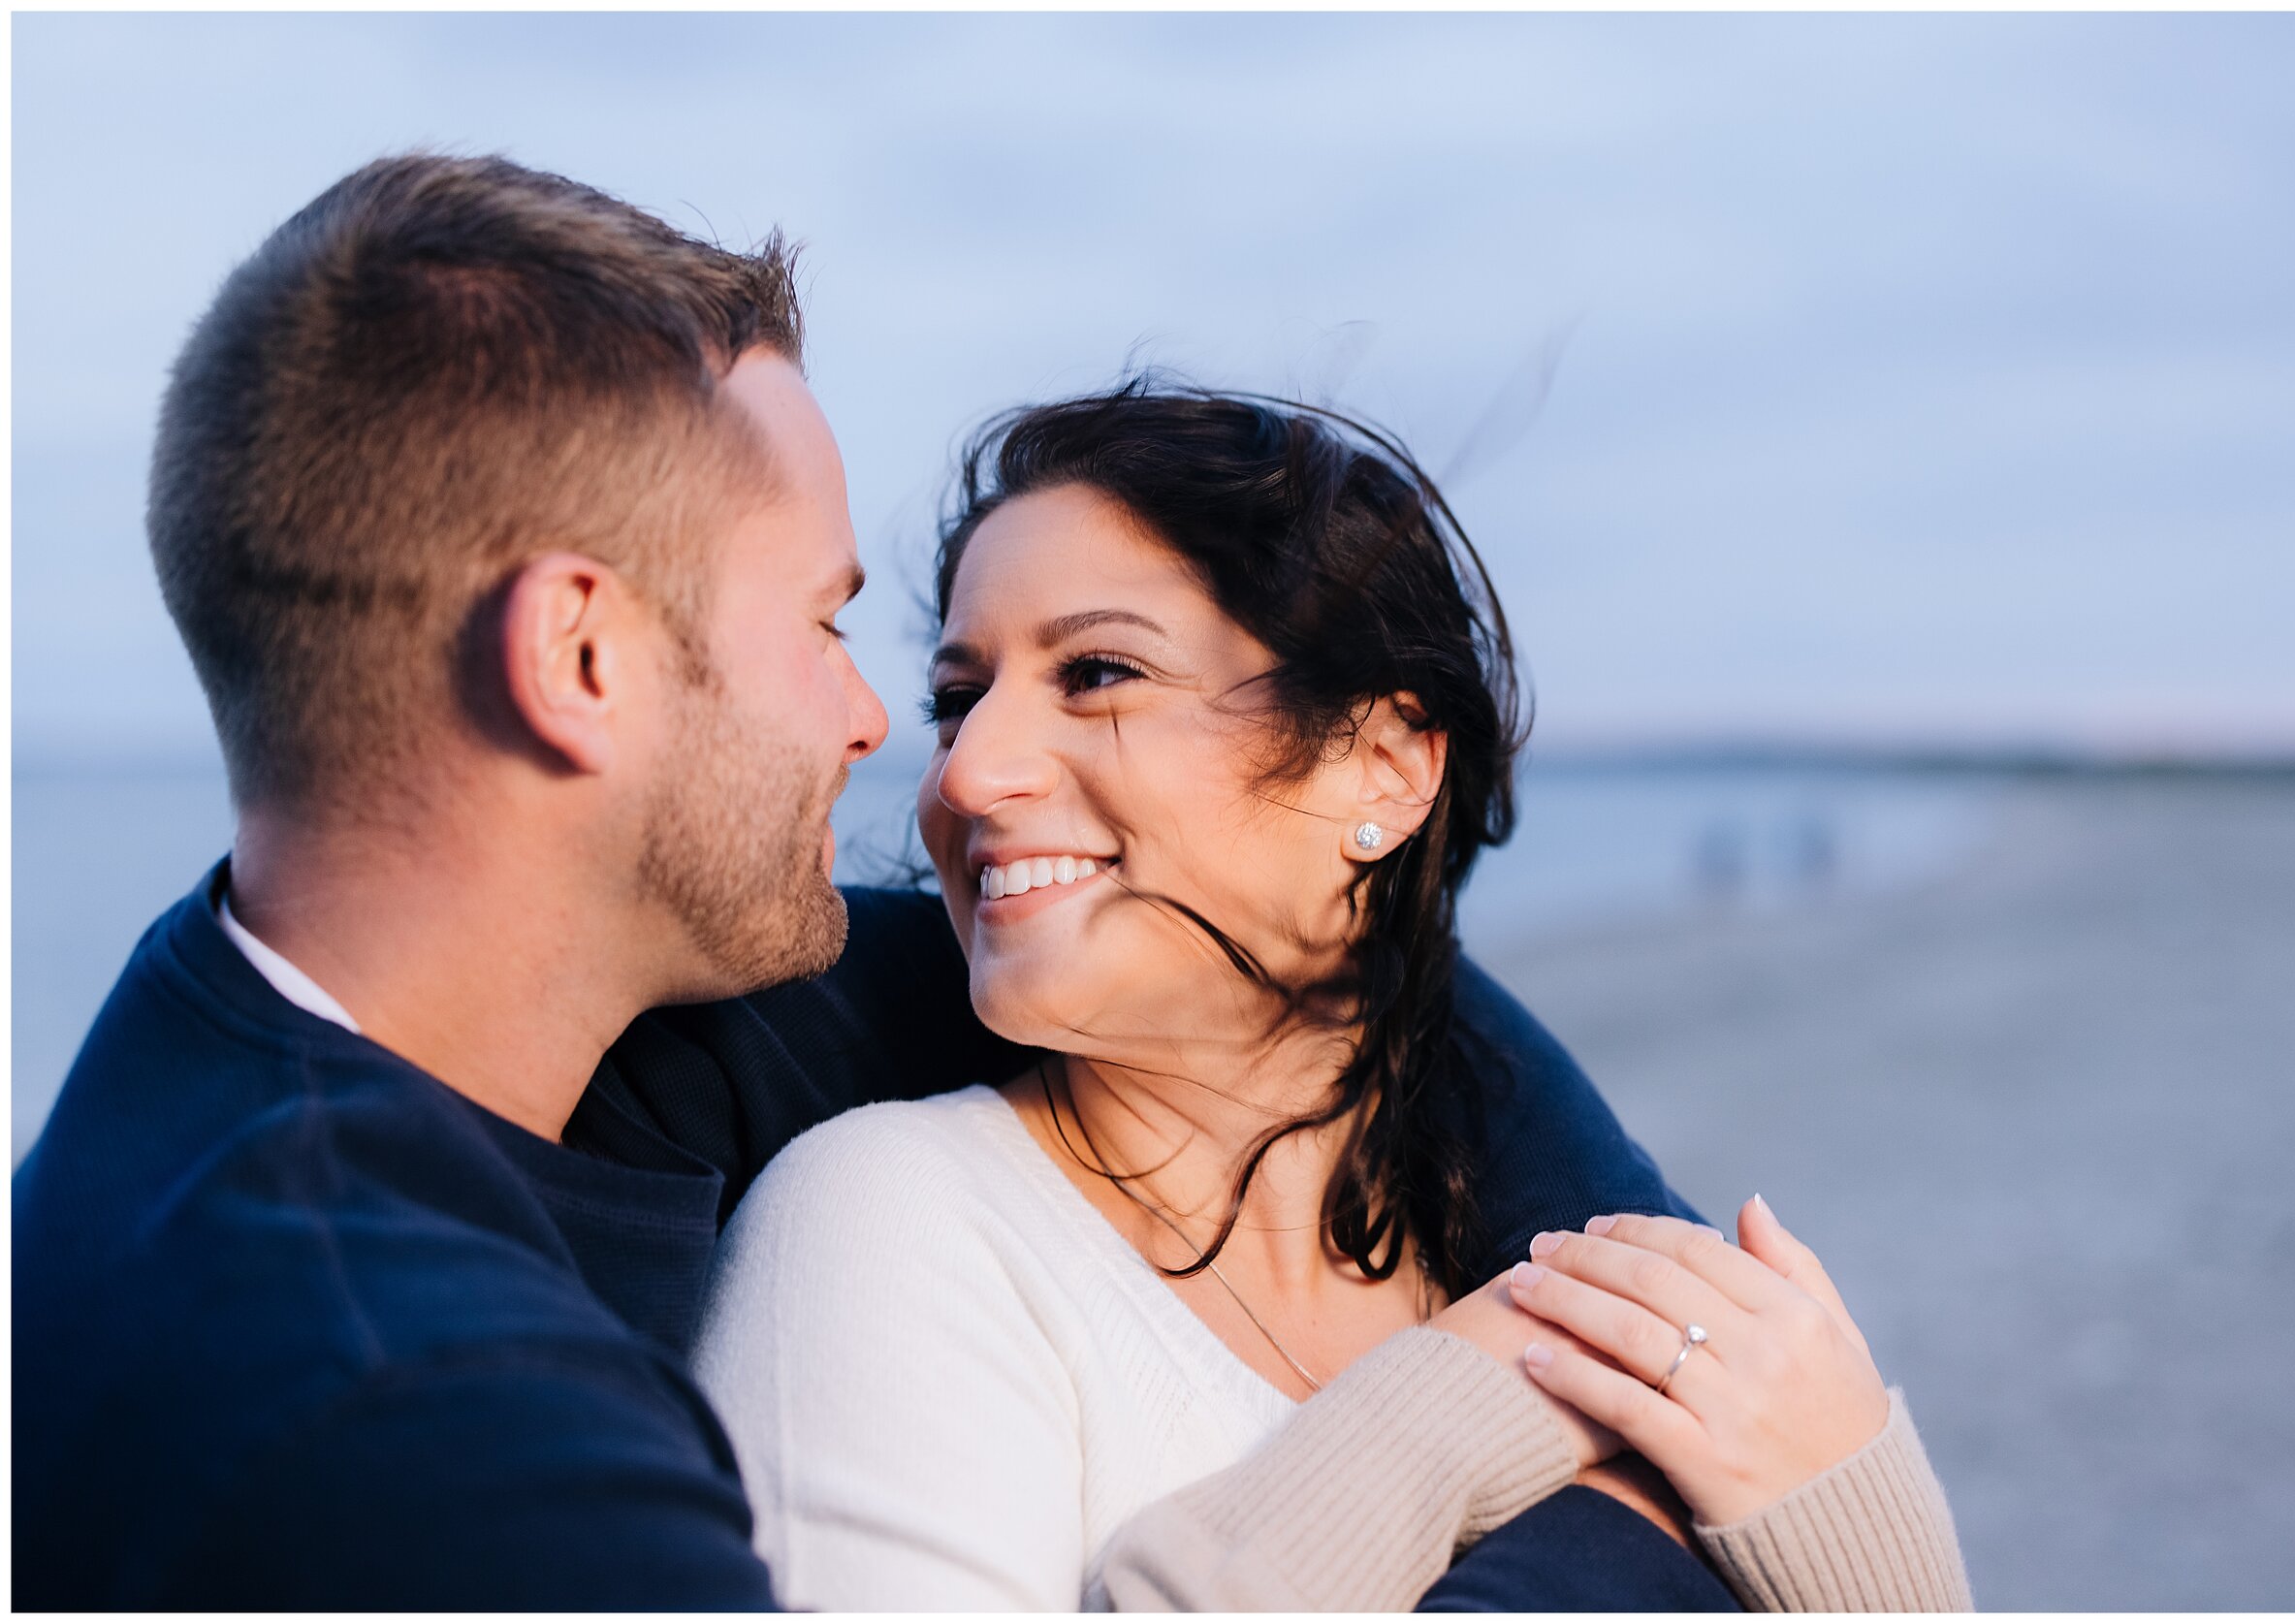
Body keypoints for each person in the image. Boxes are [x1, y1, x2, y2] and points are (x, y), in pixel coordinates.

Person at [15, 151, 1749, 1609]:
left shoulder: (271, 1032)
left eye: (1088, 675)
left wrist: (1658, 1293)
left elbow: (1323, 1002)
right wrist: (1624, 1526)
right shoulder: (442, 1440)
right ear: (582, 659)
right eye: (833, 627)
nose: (897, 744)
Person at [692, 388, 1974, 1610]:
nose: (967, 774)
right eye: (958, 700)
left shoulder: (1513, 1247)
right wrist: (1442, 1417)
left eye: (1096, 674)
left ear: (1383, 767)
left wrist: (1856, 1497)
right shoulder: (891, 1223)